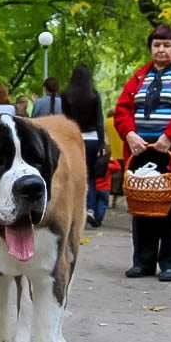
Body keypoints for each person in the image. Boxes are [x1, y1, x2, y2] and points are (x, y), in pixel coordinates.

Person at [113, 23, 171, 283]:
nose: (161, 49)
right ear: (150, 48)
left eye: (166, 45)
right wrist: (129, 134)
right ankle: (143, 261)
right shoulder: (139, 77)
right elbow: (122, 110)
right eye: (156, 44)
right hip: (142, 152)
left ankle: (170, 264)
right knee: (142, 207)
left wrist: (169, 136)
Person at [61, 64, 105, 225]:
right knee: (91, 178)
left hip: (73, 140)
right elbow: (99, 121)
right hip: (92, 139)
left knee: (73, 178)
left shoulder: (66, 96)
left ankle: (74, 211)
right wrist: (101, 144)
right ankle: (91, 210)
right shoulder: (94, 95)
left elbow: (65, 120)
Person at [89, 148, 120, 228]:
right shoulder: (108, 166)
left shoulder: (94, 164)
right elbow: (118, 167)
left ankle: (92, 215)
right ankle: (98, 220)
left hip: (95, 188)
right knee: (102, 205)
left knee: (93, 203)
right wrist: (112, 159)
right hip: (105, 188)